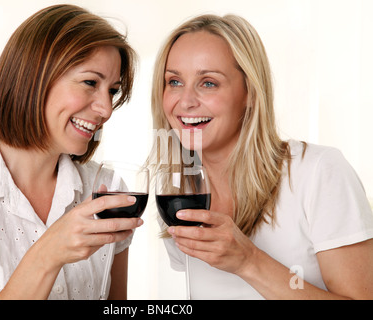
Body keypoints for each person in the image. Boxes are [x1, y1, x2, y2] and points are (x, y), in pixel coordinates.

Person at [0, 4, 141, 300]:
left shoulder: (106, 190)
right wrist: (48, 253)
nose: (106, 109)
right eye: (90, 82)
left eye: (112, 91)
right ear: (34, 77)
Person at [147, 14, 373, 299]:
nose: (186, 101)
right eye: (175, 81)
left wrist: (249, 261)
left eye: (208, 83)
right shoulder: (179, 195)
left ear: (250, 92)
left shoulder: (318, 172)